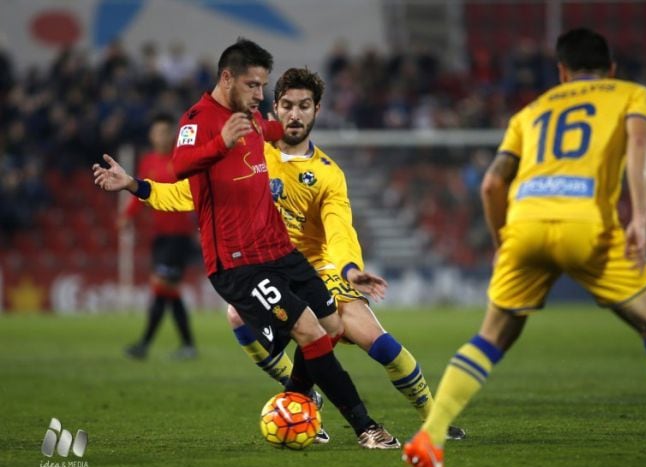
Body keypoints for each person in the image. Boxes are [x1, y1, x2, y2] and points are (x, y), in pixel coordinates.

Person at [402, 28, 646, 467]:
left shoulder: (531, 111)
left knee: (491, 337)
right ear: (611, 69)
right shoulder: (630, 94)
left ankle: (431, 437)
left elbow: (491, 183)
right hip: (588, 223)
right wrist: (640, 217)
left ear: (562, 72)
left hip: (524, 221)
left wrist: (504, 238)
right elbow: (640, 145)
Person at [94, 67, 465, 442]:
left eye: (304, 106)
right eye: (287, 105)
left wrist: (350, 268)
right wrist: (138, 187)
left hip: (316, 270)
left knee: (379, 342)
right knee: (237, 314)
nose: (295, 114)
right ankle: (302, 396)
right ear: (274, 108)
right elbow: (189, 194)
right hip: (262, 265)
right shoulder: (248, 153)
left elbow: (340, 226)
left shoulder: (327, 174)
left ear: (317, 110)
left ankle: (434, 417)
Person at [119, 113, 198, 360]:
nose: (162, 137)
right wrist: (127, 216)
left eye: (166, 132)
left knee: (161, 288)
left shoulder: (181, 161)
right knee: (168, 291)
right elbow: (140, 191)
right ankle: (188, 346)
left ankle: (144, 344)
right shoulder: (148, 161)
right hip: (159, 236)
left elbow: (194, 193)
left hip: (179, 237)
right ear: (152, 135)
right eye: (158, 132)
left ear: (173, 134)